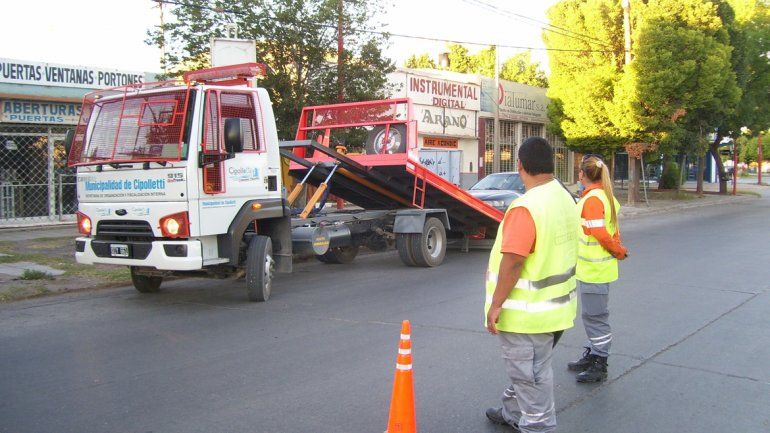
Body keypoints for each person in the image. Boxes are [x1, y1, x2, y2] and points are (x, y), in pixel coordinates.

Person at [484, 137, 579, 433]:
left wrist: (496, 304)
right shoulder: (564, 197)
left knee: (531, 377)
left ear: (520, 166)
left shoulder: (527, 206)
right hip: (557, 310)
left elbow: (513, 261)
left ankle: (537, 425)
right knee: (530, 370)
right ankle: (512, 411)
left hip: (528, 316)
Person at [567, 155, 628, 383]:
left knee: (596, 317)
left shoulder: (593, 199)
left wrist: (617, 250)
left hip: (594, 270)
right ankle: (594, 353)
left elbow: (600, 233)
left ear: (582, 174)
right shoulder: (600, 196)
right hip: (595, 269)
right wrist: (617, 250)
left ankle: (600, 361)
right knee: (592, 316)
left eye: (579, 172)